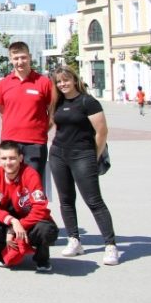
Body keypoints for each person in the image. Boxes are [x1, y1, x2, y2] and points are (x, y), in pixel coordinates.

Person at [49, 66, 119, 266]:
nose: (63, 84)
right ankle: (74, 240)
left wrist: (93, 156)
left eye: (66, 80)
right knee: (66, 200)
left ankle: (111, 245)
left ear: (74, 80)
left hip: (83, 154)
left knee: (94, 200)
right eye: (59, 81)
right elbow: (53, 125)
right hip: (58, 154)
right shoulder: (58, 102)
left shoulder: (88, 102)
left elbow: (102, 132)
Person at [0, 141, 59, 271]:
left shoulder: (30, 174)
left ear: (20, 158)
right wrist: (12, 221)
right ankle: (2, 254)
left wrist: (16, 228)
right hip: (9, 221)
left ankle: (42, 259)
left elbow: (40, 208)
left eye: (12, 158)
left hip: (28, 223)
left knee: (46, 230)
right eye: (4, 158)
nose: (8, 162)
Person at [0, 42, 55, 181]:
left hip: (35, 143)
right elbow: (2, 111)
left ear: (30, 57)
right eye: (16, 58)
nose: (20, 62)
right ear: (10, 59)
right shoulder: (3, 84)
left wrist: (42, 129)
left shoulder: (43, 82)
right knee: (10, 184)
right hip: (10, 142)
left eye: (23, 57)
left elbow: (52, 112)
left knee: (33, 185)